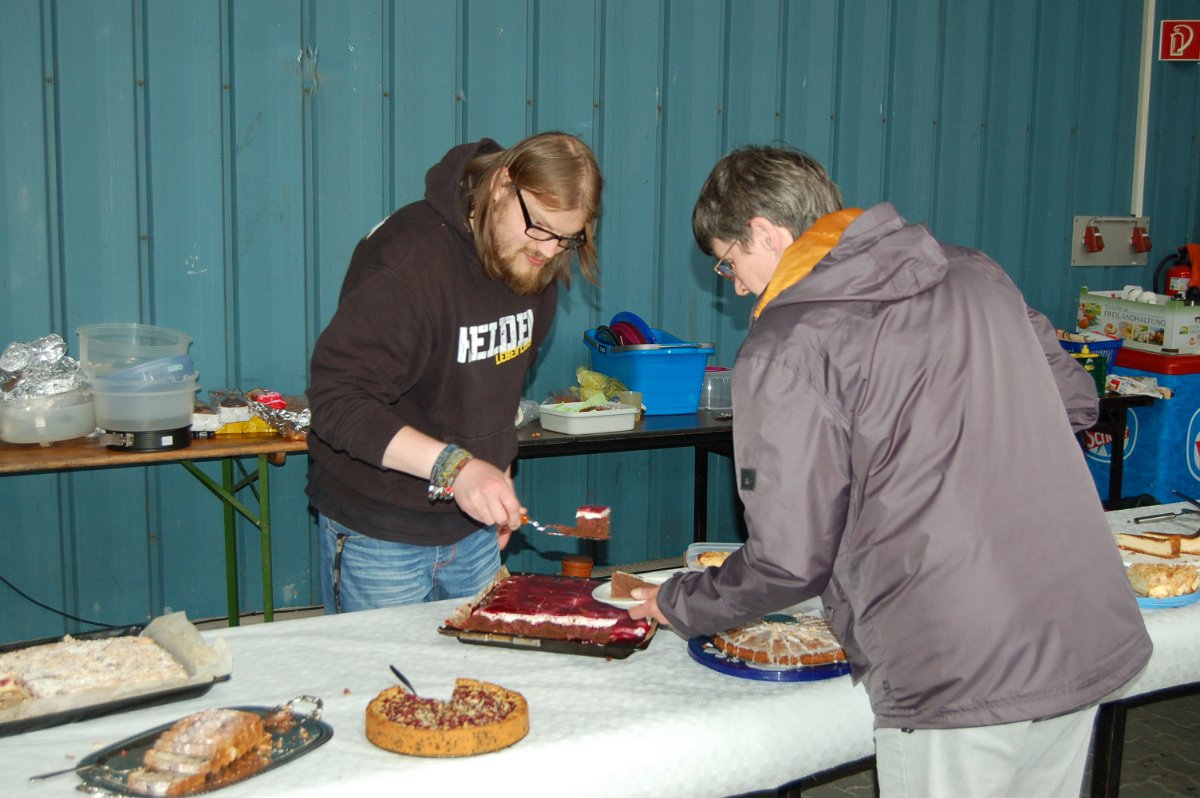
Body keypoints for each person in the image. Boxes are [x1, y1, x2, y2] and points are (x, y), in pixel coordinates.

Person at [628, 145, 1150, 797]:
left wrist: (678, 604)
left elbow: (790, 559)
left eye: (729, 262)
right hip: (1075, 621)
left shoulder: (788, 344)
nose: (734, 285)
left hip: (955, 657)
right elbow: (1075, 399)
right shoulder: (975, 272)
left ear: (767, 231)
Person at [306, 132, 602, 613]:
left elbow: (496, 382)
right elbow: (337, 403)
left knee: (475, 683)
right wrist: (458, 469)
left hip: (473, 532)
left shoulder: (535, 261)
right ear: (504, 185)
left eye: (567, 239)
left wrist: (498, 479)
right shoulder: (407, 263)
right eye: (541, 229)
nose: (549, 253)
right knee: (386, 684)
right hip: (383, 532)